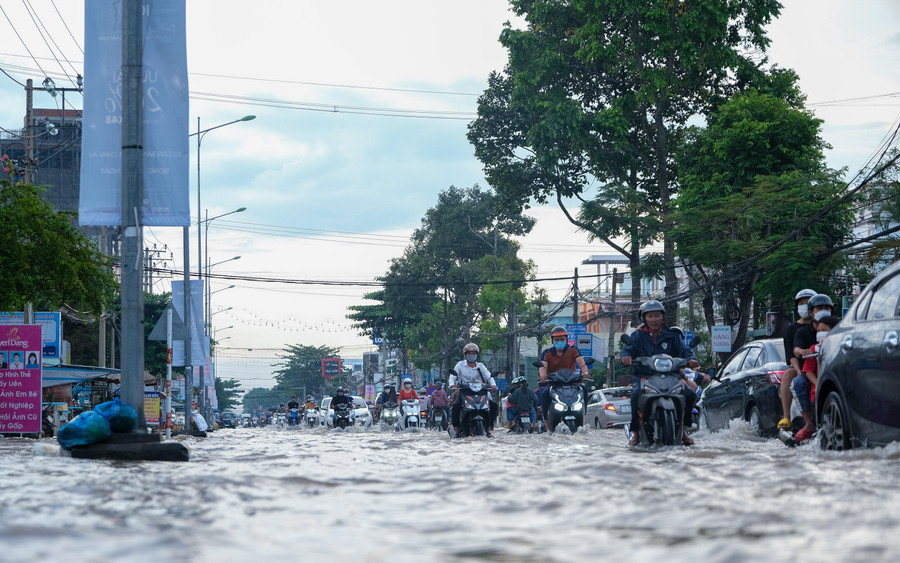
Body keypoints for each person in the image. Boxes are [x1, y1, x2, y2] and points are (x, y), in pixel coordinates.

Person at [620, 300, 699, 446]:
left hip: (671, 375)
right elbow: (627, 350)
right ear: (644, 318)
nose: (654, 319)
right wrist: (625, 357)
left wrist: (691, 359)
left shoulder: (672, 335)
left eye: (657, 315)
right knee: (636, 396)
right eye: (650, 316)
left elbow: (685, 350)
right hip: (644, 376)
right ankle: (636, 432)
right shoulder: (637, 336)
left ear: (662, 317)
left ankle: (683, 430)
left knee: (690, 394)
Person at [791, 313, 840, 442]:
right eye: (818, 331)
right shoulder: (814, 349)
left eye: (824, 330)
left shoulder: (841, 348)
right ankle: (810, 425)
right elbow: (808, 372)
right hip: (817, 390)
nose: (820, 333)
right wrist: (819, 385)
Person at [777, 289, 817, 430]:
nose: (805, 306)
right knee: (790, 374)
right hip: (802, 367)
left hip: (823, 365)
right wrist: (799, 371)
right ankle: (787, 417)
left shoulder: (827, 325)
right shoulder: (794, 330)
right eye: (801, 303)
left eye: (808, 302)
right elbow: (792, 354)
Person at [538, 326, 591, 428]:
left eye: (562, 339)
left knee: (584, 389)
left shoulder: (573, 350)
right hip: (554, 383)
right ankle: (547, 422)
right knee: (545, 393)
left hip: (572, 381)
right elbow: (543, 366)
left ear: (566, 339)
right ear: (552, 341)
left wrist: (585, 372)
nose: (559, 342)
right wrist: (542, 375)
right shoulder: (547, 353)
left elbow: (582, 364)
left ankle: (583, 414)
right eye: (556, 340)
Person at [449, 343, 498, 437]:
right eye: (469, 353)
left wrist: (493, 385)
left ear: (477, 355)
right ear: (465, 355)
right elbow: (452, 377)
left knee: (494, 406)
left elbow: (489, 376)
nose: (472, 355)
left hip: (480, 392)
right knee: (456, 407)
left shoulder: (481, 366)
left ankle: (489, 429)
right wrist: (452, 384)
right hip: (465, 393)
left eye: (474, 353)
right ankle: (457, 430)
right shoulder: (460, 365)